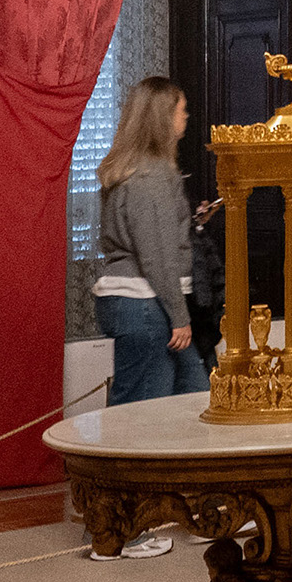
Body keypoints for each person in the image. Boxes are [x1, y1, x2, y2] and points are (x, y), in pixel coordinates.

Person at [92, 75, 207, 412]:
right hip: (146, 306)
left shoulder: (137, 171)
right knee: (142, 417)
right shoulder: (151, 176)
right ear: (162, 118)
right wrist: (179, 316)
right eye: (181, 110)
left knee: (194, 398)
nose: (185, 117)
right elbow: (156, 256)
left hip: (143, 304)